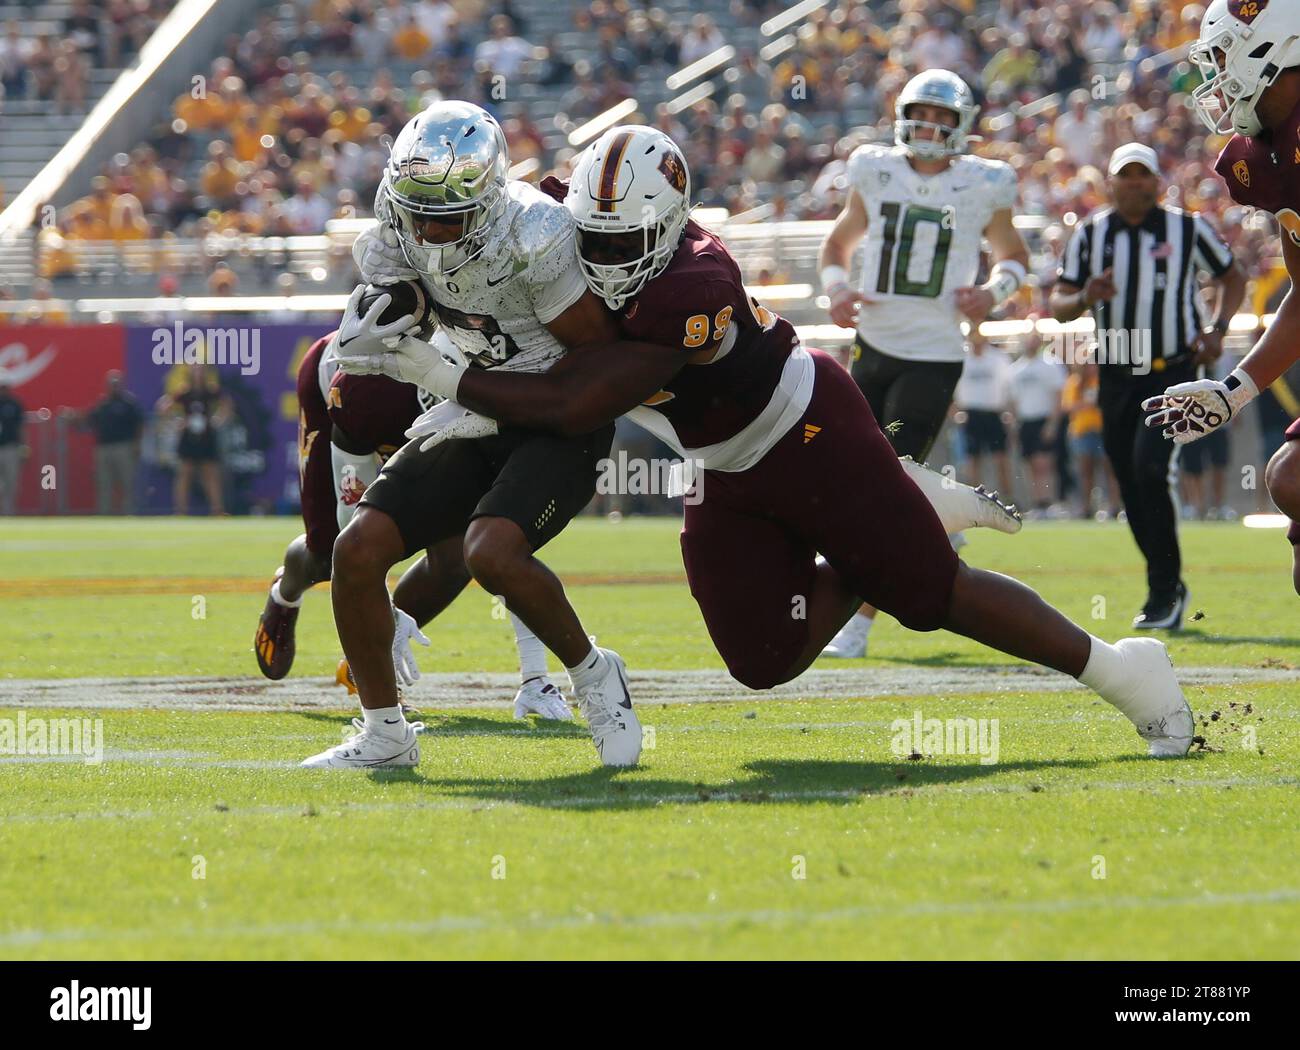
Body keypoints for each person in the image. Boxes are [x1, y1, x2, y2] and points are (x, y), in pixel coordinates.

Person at [346, 124, 1197, 762]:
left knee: (931, 597)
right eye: (591, 240)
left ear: (671, 222)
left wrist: (442, 374)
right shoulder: (574, 217)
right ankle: (906, 519)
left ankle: (1125, 673)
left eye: (621, 245)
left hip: (807, 430)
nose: (601, 257)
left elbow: (577, 403)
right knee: (763, 658)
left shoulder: (694, 280)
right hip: (719, 464)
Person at [302, 101, 636, 771]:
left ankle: (594, 674)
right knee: (358, 548)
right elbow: (411, 291)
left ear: (486, 197)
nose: (428, 229)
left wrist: (466, 377)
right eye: (416, 210)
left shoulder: (534, 234)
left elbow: (593, 365)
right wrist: (375, 322)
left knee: (490, 552)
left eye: (446, 214)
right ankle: (386, 734)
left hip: (555, 416)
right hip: (468, 409)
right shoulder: (401, 220)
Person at [252, 328, 572, 722]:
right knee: (330, 553)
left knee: (461, 554)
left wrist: (535, 674)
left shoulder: (491, 385)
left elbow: (509, 542)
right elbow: (350, 526)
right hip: (338, 393)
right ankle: (286, 592)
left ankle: (370, 659)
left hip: (429, 415)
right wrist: (379, 605)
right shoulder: (368, 393)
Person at [816, 69, 1030, 659]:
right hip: (873, 345)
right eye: (923, 114)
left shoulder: (982, 183)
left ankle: (857, 622)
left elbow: (1014, 256)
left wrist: (993, 292)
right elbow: (837, 245)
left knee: (887, 480)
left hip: (933, 353)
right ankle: (941, 520)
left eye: (944, 118)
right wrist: (837, 289)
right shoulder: (874, 169)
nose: (931, 127)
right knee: (850, 471)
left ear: (962, 126)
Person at [1052, 141, 1246, 629]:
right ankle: (1168, 585)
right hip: (1116, 370)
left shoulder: (1186, 227)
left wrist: (1218, 329)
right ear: (1111, 182)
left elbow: (1233, 276)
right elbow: (1057, 303)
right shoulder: (1091, 233)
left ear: (1156, 183)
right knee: (1129, 480)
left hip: (1171, 369)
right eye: (1126, 174)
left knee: (1149, 467)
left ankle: (1163, 591)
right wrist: (1084, 295)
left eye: (1143, 174)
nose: (1134, 182)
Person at [1144, 0, 1300, 595]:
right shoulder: (1265, 157)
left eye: (1222, 55)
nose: (1213, 76)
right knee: (1291, 478)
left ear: (1275, 45)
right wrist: (1232, 392)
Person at [157, 363, 232, 515]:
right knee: (184, 473)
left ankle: (217, 510)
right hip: (188, 436)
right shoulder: (184, 391)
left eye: (201, 372)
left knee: (210, 474)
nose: (198, 374)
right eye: (195, 371)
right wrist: (177, 422)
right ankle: (181, 511)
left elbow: (227, 404)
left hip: (206, 436)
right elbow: (163, 407)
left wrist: (217, 420)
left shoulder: (211, 390)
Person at [1008, 337, 1068, 515]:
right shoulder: (1016, 369)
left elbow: (1058, 396)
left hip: (1044, 419)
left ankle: (1049, 501)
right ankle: (1038, 503)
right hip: (1026, 422)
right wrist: (1014, 425)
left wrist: (1052, 423)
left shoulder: (1051, 364)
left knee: (1045, 464)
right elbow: (1014, 400)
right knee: (1030, 465)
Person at [956, 333, 1014, 498]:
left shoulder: (998, 358)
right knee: (973, 459)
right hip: (971, 414)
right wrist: (956, 412)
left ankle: (1007, 498)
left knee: (1001, 458)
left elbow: (1008, 387)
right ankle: (976, 499)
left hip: (993, 413)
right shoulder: (963, 357)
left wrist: (1008, 411)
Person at [81, 370, 142, 515]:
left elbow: (139, 424)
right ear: (107, 386)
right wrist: (74, 417)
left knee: (127, 483)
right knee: (104, 484)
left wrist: (136, 445)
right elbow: (89, 420)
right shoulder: (102, 404)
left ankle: (129, 513)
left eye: (116, 384)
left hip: (123, 447)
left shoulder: (128, 403)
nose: (114, 387)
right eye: (111, 384)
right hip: (103, 449)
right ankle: (104, 514)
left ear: (121, 385)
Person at [0, 379, 25, 515]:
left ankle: (8, 514)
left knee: (11, 483)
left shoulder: (14, 404)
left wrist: (23, 447)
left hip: (11, 448)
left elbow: (21, 427)